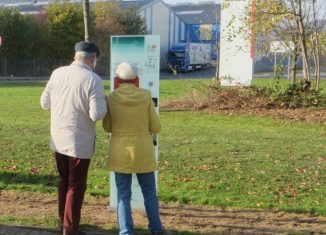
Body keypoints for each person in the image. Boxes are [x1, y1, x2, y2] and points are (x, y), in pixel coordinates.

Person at [40, 41, 107, 235]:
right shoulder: (93, 79)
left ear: (76, 55)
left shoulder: (57, 73)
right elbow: (96, 114)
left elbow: (44, 103)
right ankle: (70, 230)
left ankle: (64, 223)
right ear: (93, 58)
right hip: (79, 142)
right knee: (76, 186)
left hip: (58, 138)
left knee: (64, 182)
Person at [103, 62, 167, 235]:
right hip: (143, 152)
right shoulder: (146, 96)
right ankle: (156, 229)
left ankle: (125, 231)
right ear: (137, 79)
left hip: (120, 152)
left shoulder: (111, 98)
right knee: (149, 193)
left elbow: (107, 127)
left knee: (123, 194)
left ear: (117, 79)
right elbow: (156, 127)